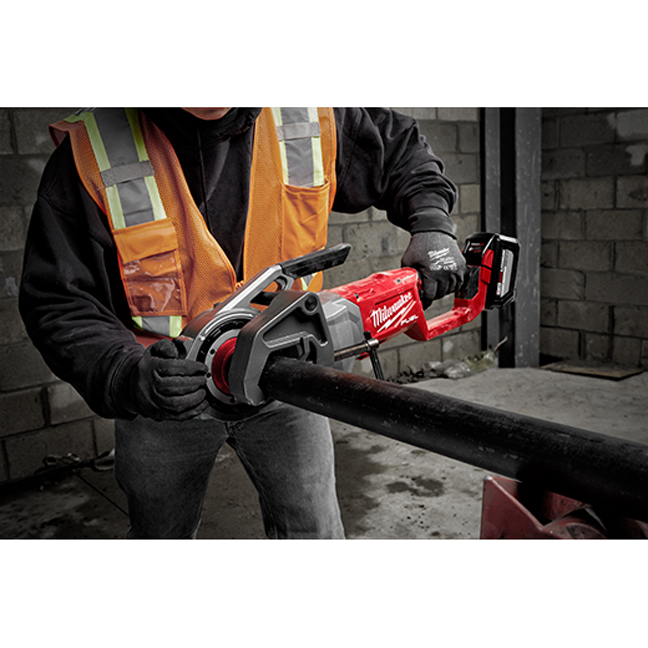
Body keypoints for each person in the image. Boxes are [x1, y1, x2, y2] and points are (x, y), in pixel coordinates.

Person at [19, 107, 466, 539]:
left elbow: (401, 152)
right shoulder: (95, 150)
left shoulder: (309, 112)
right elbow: (60, 300)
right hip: (165, 392)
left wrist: (432, 224)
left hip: (289, 378)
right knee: (160, 537)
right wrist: (126, 374)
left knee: (314, 534)